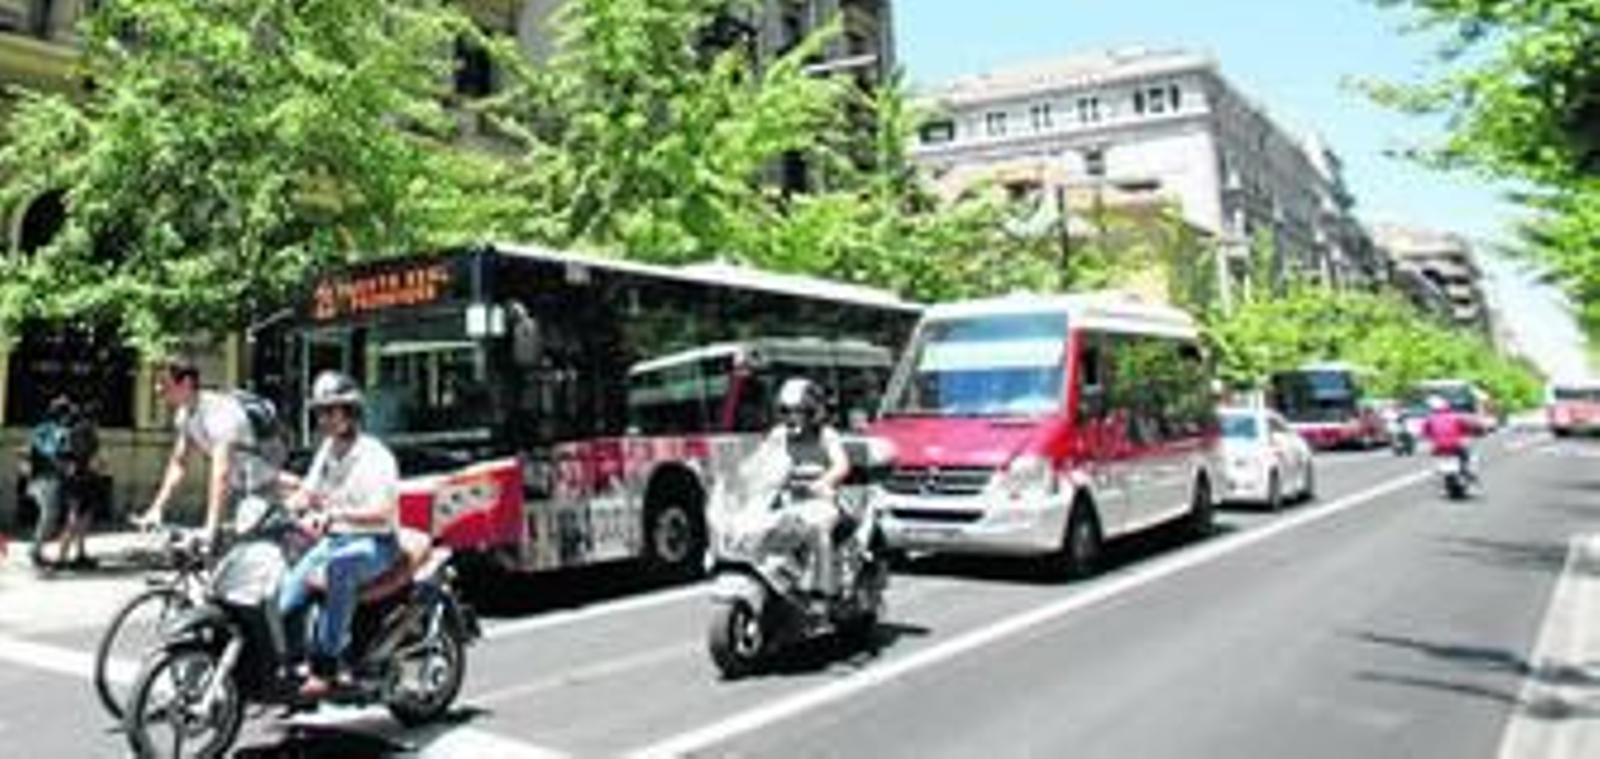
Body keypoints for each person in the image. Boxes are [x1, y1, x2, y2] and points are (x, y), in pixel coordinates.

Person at [276, 370, 401, 699]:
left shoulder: (375, 455)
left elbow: (382, 512)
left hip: (376, 543)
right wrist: (285, 506)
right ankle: (292, 665)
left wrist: (335, 514)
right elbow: (307, 491)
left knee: (340, 568)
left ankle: (327, 666)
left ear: (350, 412)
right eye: (320, 412)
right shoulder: (328, 450)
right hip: (335, 540)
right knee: (286, 601)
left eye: (332, 410)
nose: (325, 419)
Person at [135, 357, 279, 542]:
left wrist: (211, 527)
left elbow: (221, 472)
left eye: (164, 383)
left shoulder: (217, 414)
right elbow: (178, 463)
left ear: (186, 383)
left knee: (258, 542)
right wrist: (157, 508)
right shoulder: (184, 414)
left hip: (264, 475)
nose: (158, 390)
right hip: (242, 482)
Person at [764, 377, 851, 597]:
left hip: (821, 500)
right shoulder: (778, 435)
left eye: (799, 411)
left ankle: (823, 593)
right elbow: (762, 461)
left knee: (819, 531)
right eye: (786, 411)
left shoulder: (827, 435)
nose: (792, 417)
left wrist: (824, 482)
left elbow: (841, 465)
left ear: (813, 411)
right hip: (787, 500)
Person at [26, 396, 76, 570]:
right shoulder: (57, 431)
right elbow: (53, 453)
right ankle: (35, 551)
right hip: (47, 479)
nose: (69, 417)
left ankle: (36, 550)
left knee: (47, 516)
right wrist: (65, 467)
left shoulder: (41, 428)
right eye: (67, 413)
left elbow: (34, 450)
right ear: (62, 414)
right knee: (48, 517)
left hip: (37, 478)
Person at [1420, 394, 1477, 483]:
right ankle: (1468, 475)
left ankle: (1440, 474)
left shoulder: (1429, 419)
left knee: (1435, 458)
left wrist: (1431, 439)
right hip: (1455, 445)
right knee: (1467, 458)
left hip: (1439, 446)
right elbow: (1466, 429)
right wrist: (1467, 434)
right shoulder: (1456, 417)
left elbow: (1425, 433)